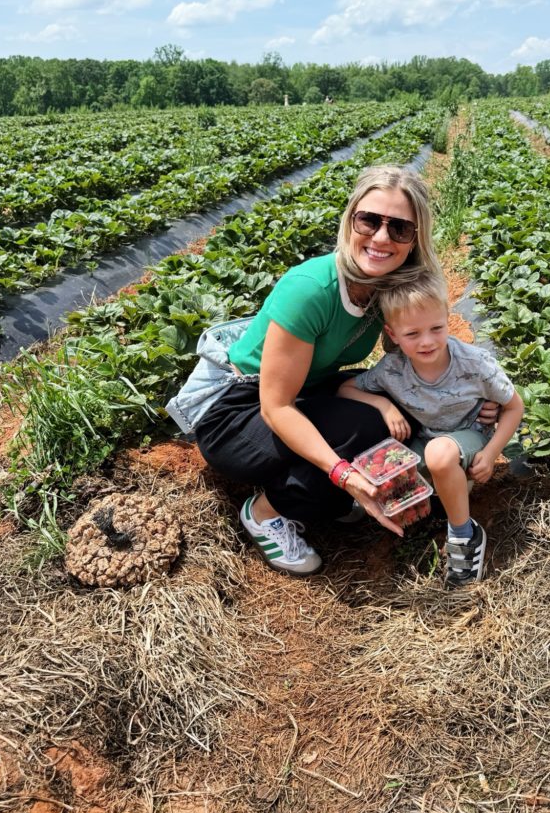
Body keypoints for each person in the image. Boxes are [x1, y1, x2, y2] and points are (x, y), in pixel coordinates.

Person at [194, 164, 501, 577]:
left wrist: (476, 396)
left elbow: (414, 362)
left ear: (415, 239)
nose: (380, 238)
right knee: (359, 430)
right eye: (369, 220)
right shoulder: (311, 289)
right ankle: (265, 512)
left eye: (399, 229)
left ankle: (330, 497)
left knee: (397, 414)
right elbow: (276, 407)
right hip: (239, 411)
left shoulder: (389, 287)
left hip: (311, 389)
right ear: (350, 218)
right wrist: (344, 475)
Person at [337, 271, 524, 589]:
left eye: (436, 328)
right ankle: (415, 496)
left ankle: (465, 534)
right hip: (428, 437)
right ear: (392, 334)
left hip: (471, 434)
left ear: (448, 320)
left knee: (439, 455)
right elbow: (346, 389)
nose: (427, 341)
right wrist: (385, 406)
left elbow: (514, 407)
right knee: (389, 470)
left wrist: (491, 454)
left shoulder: (474, 364)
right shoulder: (392, 369)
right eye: (412, 334)